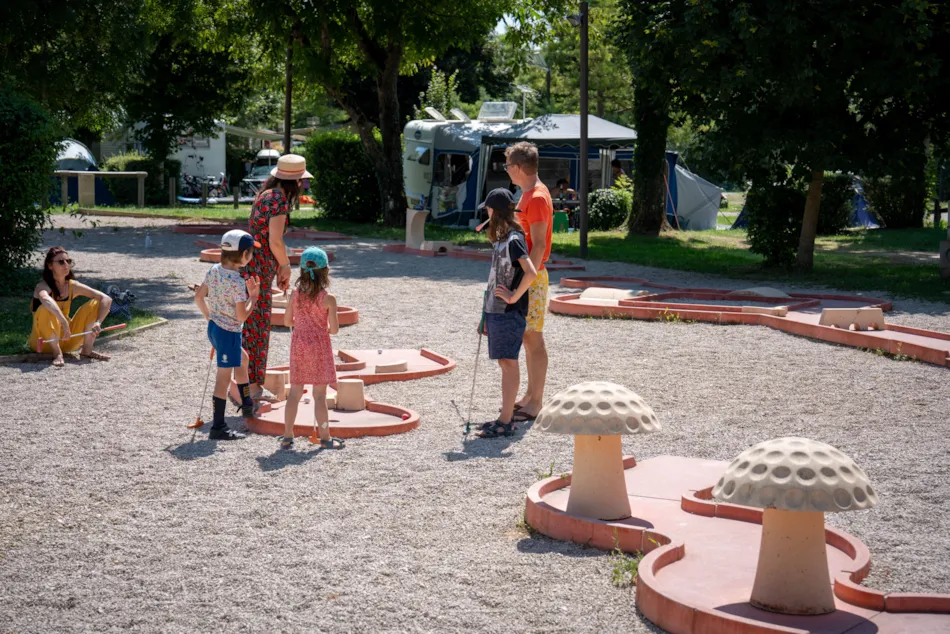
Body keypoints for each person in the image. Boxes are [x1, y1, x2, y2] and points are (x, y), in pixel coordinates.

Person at [244, 154, 312, 402]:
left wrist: (280, 266)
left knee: (251, 326)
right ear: (295, 182)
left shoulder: (266, 194)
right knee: (257, 329)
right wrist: (285, 266)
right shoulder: (279, 201)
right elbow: (274, 240)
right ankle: (252, 390)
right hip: (260, 269)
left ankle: (248, 386)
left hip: (254, 265)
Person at [476, 189, 538, 438]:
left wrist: (514, 295)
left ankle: (506, 420)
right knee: (504, 362)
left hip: (509, 311)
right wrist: (485, 314)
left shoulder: (513, 239)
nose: (486, 214)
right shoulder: (501, 238)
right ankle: (505, 416)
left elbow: (530, 272)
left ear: (496, 211)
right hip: (495, 310)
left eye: (488, 209)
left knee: (509, 362)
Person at [194, 230, 262, 441]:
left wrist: (210, 317)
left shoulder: (214, 270)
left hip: (215, 329)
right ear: (243, 256)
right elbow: (241, 316)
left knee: (243, 360)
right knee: (222, 381)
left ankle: (247, 404)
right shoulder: (236, 282)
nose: (251, 256)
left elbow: (199, 297)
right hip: (229, 333)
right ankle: (218, 427)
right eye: (250, 252)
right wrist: (254, 298)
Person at [504, 142, 553, 422]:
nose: (507, 170)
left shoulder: (535, 197)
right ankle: (531, 395)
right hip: (528, 275)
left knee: (533, 339)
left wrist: (526, 278)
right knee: (528, 336)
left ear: (519, 168)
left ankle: (537, 401)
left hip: (532, 276)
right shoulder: (528, 194)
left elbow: (536, 246)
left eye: (509, 165)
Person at [279, 247, 344, 451]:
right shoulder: (328, 298)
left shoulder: (295, 294)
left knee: (295, 393)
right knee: (319, 395)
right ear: (325, 271)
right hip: (320, 346)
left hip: (299, 344)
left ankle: (288, 436)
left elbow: (287, 320)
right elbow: (334, 330)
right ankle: (325, 437)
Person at [30, 247, 114, 367]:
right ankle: (57, 353)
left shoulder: (72, 286)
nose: (66, 265)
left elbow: (106, 299)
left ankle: (86, 351)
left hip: (67, 338)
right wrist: (64, 322)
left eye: (68, 261)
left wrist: (98, 322)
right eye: (61, 262)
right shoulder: (42, 286)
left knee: (96, 302)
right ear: (50, 266)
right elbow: (46, 300)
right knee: (45, 308)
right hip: (43, 342)